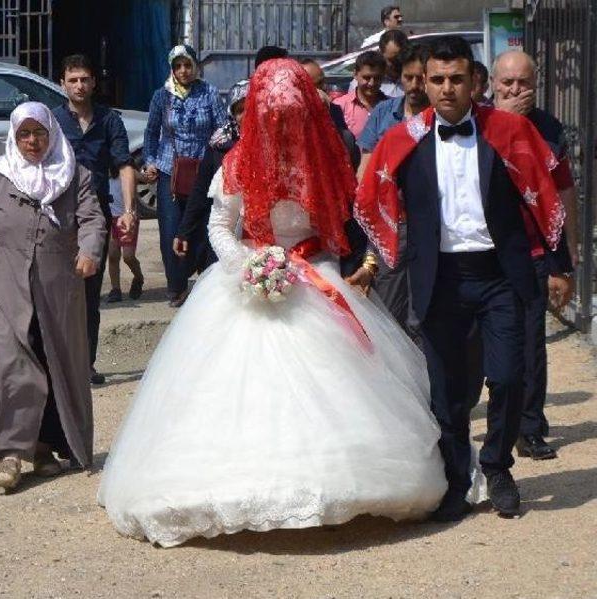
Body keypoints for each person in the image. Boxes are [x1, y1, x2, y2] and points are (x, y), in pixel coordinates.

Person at [98, 59, 448, 547]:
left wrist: (321, 263)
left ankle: (331, 482)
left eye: (293, 117)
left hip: (312, 275)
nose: (283, 127)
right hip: (249, 274)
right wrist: (248, 266)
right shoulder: (237, 163)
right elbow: (220, 226)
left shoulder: (323, 164)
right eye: (274, 117)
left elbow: (339, 230)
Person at [356, 36, 567, 520]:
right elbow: (373, 197)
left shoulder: (507, 131)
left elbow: (544, 191)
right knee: (447, 389)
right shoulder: (401, 140)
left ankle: (497, 466)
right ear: (423, 84)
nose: (447, 88)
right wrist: (374, 260)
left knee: (510, 376)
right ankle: (456, 478)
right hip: (440, 278)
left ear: (473, 81)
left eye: (456, 79)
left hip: (500, 275)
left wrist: (559, 263)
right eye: (437, 80)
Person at [0, 102, 106, 490]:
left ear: (51, 133)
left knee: (52, 363)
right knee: (9, 365)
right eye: (24, 134)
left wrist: (89, 250)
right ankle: (8, 452)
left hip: (58, 288)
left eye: (39, 133)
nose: (33, 141)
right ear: (14, 137)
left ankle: (42, 446)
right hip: (4, 285)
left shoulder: (75, 175)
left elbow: (92, 219)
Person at [490, 49, 576, 460]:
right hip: (482, 251)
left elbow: (561, 197)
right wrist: (508, 122)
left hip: (533, 250)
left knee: (530, 344)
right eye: (507, 82)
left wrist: (564, 263)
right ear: (491, 85)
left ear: (536, 86)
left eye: (522, 82)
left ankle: (529, 427)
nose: (514, 90)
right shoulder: (476, 123)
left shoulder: (549, 128)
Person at [53, 54, 137, 385]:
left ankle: (85, 365)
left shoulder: (109, 121)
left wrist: (129, 210)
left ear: (93, 83)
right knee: (59, 292)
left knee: (89, 293)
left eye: (84, 79)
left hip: (97, 216)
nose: (79, 85)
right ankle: (58, 366)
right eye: (72, 79)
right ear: (62, 83)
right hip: (58, 216)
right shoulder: (53, 121)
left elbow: (124, 164)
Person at [142, 45, 227, 308]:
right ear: (172, 68)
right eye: (178, 66)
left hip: (204, 173)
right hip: (170, 171)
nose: (183, 71)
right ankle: (176, 287)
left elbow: (223, 129)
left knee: (204, 228)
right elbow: (151, 133)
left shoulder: (209, 92)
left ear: (195, 67)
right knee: (171, 230)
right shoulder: (161, 97)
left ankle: (206, 283)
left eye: (187, 65)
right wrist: (150, 161)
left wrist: (220, 159)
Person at [357, 43, 428, 338]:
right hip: (389, 223)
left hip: (427, 224)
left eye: (420, 78)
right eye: (408, 77)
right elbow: (365, 170)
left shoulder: (440, 119)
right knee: (388, 309)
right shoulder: (384, 114)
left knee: (422, 315)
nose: (414, 85)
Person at [172, 79, 250, 267]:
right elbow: (200, 191)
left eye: (250, 108)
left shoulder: (276, 147)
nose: (245, 115)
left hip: (265, 246)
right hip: (225, 239)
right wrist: (184, 232)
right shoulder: (220, 146)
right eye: (239, 110)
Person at [300, 58, 360, 170]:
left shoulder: (334, 110)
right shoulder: (293, 118)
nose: (324, 87)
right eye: (318, 84)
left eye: (323, 81)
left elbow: (344, 145)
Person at [106, 167, 145, 303]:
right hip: (109, 218)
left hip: (127, 218)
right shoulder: (101, 173)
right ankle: (115, 289)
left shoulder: (127, 171)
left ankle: (138, 277)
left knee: (128, 256)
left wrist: (148, 174)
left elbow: (144, 178)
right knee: (112, 255)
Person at [332, 51, 387, 139]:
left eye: (377, 78)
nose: (371, 83)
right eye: (366, 78)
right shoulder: (339, 106)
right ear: (355, 74)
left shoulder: (393, 107)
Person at [379, 29, 408, 97]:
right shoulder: (369, 81)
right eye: (392, 60)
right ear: (381, 54)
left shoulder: (415, 81)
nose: (396, 64)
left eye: (400, 59)